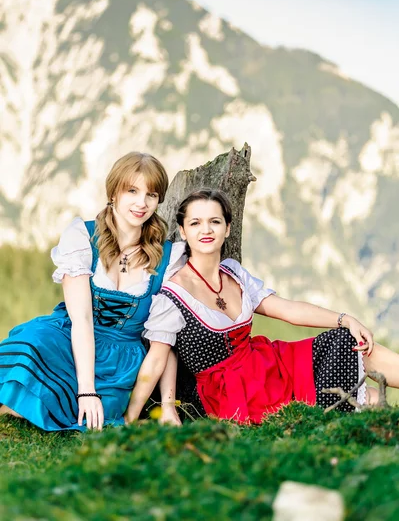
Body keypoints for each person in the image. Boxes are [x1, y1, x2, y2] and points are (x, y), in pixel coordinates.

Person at [124, 188, 399, 425]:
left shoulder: (233, 273)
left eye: (215, 222)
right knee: (372, 400)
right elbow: (159, 357)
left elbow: (288, 310)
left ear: (228, 228)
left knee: (348, 339)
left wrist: (345, 318)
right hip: (230, 394)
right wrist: (134, 417)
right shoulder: (172, 295)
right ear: (183, 231)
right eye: (195, 223)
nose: (206, 230)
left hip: (269, 365)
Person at [0, 152, 186, 431]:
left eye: (152, 194)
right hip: (68, 336)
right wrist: (86, 390)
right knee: (31, 347)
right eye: (132, 191)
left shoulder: (169, 258)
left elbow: (164, 342)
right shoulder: (83, 238)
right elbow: (82, 321)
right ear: (113, 193)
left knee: (95, 416)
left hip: (120, 357)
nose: (142, 203)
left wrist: (167, 405)